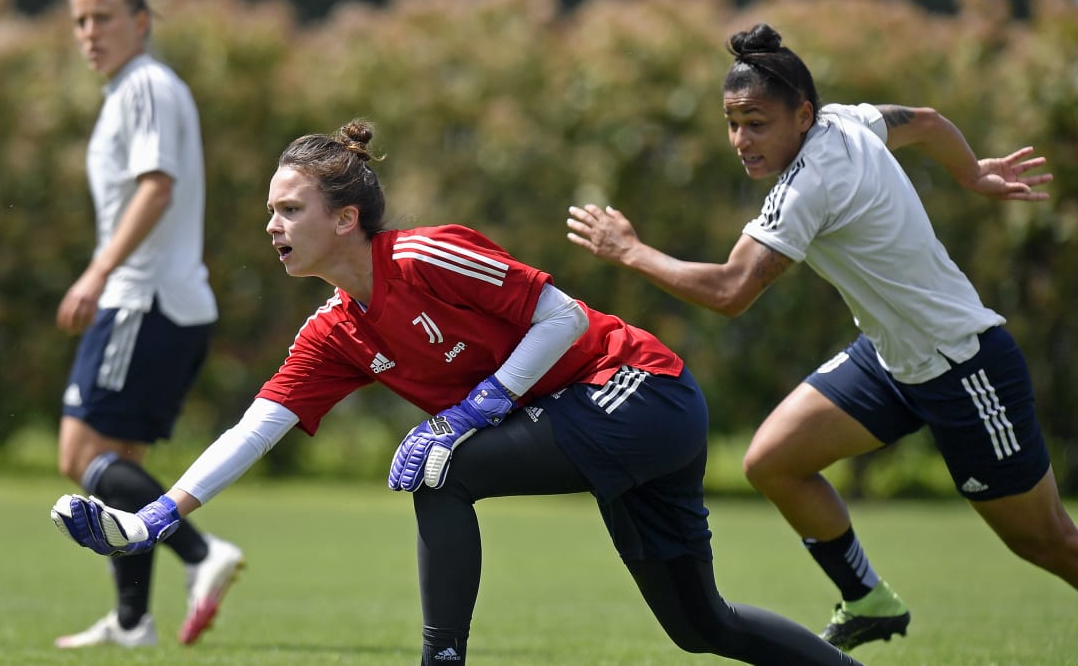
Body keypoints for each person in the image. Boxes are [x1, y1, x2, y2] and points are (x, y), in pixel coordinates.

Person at [51, 118, 862, 666]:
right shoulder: (332, 330)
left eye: (289, 209)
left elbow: (564, 316)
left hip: (639, 391)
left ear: (345, 220)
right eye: (270, 210)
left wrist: (475, 410)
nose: (271, 225)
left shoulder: (424, 255)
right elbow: (253, 431)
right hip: (595, 422)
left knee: (440, 465)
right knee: (700, 626)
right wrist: (150, 522)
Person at [566, 22, 1078, 653]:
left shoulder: (809, 183)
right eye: (732, 122)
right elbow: (924, 121)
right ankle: (868, 600)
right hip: (892, 358)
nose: (740, 140)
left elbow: (731, 291)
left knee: (1046, 541)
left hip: (963, 366)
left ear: (801, 115)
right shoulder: (846, 119)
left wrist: (631, 251)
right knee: (774, 462)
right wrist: (971, 174)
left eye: (757, 123)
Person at [51, 0, 244, 649]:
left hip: (144, 298)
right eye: (80, 19)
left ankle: (200, 553)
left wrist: (99, 271)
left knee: (81, 453)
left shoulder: (150, 87)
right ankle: (133, 622)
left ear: (141, 21)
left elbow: (157, 188)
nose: (89, 31)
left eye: (103, 15)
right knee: (117, 462)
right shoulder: (128, 92)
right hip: (154, 299)